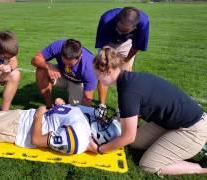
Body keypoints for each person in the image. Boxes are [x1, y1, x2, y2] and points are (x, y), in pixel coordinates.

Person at [92, 46, 207, 175]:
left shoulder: (128, 92)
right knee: (136, 143)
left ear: (107, 71)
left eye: (97, 74)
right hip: (170, 123)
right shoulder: (129, 79)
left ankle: (202, 167)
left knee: (148, 165)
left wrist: (99, 149)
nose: (96, 79)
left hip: (192, 129)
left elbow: (128, 137)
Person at [95, 7, 149, 108]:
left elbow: (136, 46)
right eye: (119, 29)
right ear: (117, 20)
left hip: (127, 43)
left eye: (125, 31)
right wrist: (107, 62)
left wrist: (126, 61)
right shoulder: (106, 19)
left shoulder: (144, 23)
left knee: (126, 75)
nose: (120, 33)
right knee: (103, 71)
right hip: (108, 42)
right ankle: (101, 106)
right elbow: (103, 46)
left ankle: (122, 108)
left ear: (135, 27)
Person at [31, 39, 97, 108]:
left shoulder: (90, 67)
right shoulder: (58, 46)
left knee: (76, 109)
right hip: (61, 74)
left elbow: (87, 98)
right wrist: (48, 66)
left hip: (77, 82)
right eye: (65, 62)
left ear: (79, 57)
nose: (67, 66)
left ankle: (62, 104)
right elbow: (34, 59)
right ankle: (49, 106)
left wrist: (84, 114)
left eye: (70, 64)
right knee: (41, 69)